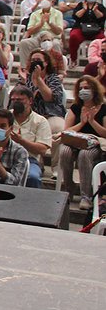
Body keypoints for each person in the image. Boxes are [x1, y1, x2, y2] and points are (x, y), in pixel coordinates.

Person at [56, 76, 106, 211]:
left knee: (85, 155)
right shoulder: (76, 107)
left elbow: (105, 133)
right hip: (76, 141)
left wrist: (92, 122)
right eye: (81, 88)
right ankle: (68, 188)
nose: (83, 91)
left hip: (95, 143)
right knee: (64, 151)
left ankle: (86, 195)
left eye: (87, 88)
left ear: (94, 90)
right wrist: (82, 123)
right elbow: (67, 130)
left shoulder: (103, 107)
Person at [7, 85, 52, 189]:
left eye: (19, 100)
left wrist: (21, 141)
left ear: (30, 101)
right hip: (5, 157)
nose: (15, 102)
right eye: (13, 100)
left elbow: (42, 149)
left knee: (33, 177)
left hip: (29, 160)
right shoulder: (5, 117)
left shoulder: (40, 121)